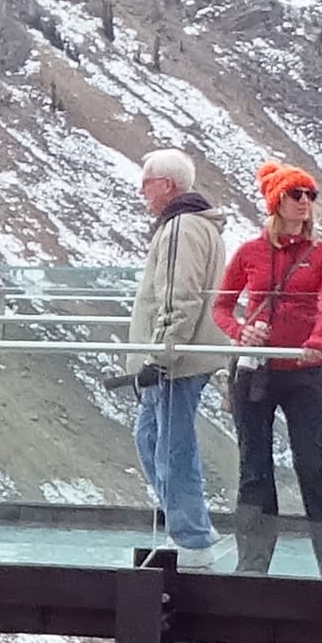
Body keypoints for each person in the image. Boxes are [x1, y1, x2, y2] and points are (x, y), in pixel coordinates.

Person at [210, 161, 322, 528]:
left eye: (310, 195)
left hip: (306, 370)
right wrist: (241, 332)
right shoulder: (250, 252)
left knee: (313, 465)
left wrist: (318, 340)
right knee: (254, 468)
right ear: (277, 202)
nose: (305, 201)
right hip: (255, 371)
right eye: (295, 194)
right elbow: (221, 307)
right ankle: (253, 566)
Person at [122, 148, 237, 561]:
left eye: (147, 183)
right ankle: (188, 528)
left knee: (170, 445)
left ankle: (192, 538)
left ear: (167, 185)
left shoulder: (179, 230)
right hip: (186, 357)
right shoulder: (202, 227)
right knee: (153, 437)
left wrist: (159, 356)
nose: (142, 192)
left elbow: (178, 297)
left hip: (175, 362)